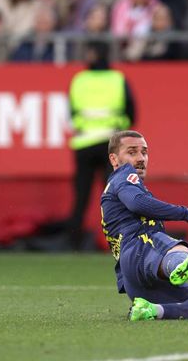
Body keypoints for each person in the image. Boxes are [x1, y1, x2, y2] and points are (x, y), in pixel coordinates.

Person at [100, 130, 188, 321]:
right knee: (163, 241)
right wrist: (187, 214)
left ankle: (152, 310)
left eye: (144, 152)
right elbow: (137, 203)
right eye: (132, 152)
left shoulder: (120, 185)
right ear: (114, 159)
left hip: (138, 278)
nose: (141, 158)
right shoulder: (124, 176)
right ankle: (179, 263)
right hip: (140, 249)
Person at [66, 48, 135, 249]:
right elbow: (131, 111)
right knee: (115, 195)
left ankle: (73, 242)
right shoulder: (117, 79)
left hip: (84, 143)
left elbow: (71, 111)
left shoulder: (79, 80)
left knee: (81, 196)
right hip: (110, 143)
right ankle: (122, 241)